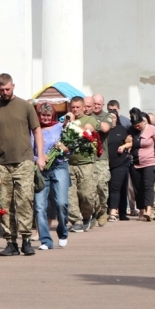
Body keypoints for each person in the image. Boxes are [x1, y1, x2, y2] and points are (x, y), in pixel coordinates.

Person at [0, 73, 44, 256]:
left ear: (13, 86)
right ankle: (11, 241)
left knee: (25, 200)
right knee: (5, 204)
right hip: (1, 164)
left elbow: (37, 130)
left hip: (24, 161)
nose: (5, 92)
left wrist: (40, 155)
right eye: (1, 90)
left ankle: (26, 239)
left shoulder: (25, 106)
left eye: (8, 89)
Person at [31, 102, 70, 249]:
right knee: (40, 206)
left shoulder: (60, 128)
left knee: (61, 202)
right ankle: (45, 240)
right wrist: (38, 158)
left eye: (48, 115)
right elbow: (29, 150)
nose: (46, 118)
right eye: (43, 115)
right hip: (41, 169)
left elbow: (69, 148)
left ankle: (63, 230)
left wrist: (63, 148)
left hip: (59, 165)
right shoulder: (34, 130)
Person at [66, 96, 101, 233]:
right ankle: (76, 220)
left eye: (77, 107)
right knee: (70, 195)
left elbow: (86, 132)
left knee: (86, 194)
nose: (75, 110)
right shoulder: (67, 120)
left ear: (83, 107)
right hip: (69, 163)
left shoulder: (89, 119)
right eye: (72, 107)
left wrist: (73, 123)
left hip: (85, 163)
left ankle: (88, 214)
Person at [127, 107, 155, 222]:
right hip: (136, 162)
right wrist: (127, 141)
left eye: (139, 125)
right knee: (138, 187)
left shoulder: (152, 129)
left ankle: (149, 210)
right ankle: (141, 210)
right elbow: (128, 142)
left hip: (150, 162)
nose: (137, 127)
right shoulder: (131, 130)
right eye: (135, 126)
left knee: (148, 186)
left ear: (144, 121)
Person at [90, 94, 112, 227]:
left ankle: (103, 209)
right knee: (90, 189)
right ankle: (93, 213)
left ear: (103, 105)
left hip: (101, 157)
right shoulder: (87, 115)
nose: (96, 106)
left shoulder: (106, 116)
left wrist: (91, 123)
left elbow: (105, 127)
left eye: (99, 104)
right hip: (89, 158)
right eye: (94, 104)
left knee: (102, 186)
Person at [106, 112, 132, 221]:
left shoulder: (121, 129)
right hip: (106, 164)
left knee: (116, 187)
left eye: (114, 117)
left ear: (117, 119)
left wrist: (124, 146)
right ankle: (121, 212)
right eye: (109, 117)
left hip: (120, 163)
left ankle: (113, 212)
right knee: (114, 188)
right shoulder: (103, 130)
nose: (111, 119)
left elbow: (130, 142)